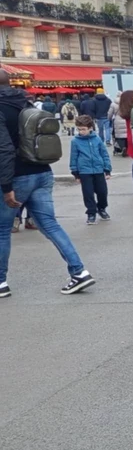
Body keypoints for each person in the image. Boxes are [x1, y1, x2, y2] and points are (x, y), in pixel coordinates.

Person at [0, 70, 95, 298]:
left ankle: (1, 282)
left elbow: (4, 149)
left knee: (2, 230)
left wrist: (6, 186)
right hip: (42, 170)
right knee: (50, 225)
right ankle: (79, 272)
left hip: (16, 175)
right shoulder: (25, 101)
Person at [70, 115, 112, 224]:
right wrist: (75, 173)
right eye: (79, 129)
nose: (81, 132)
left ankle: (101, 208)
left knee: (102, 192)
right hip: (84, 171)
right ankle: (91, 212)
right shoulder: (75, 141)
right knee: (88, 194)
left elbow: (104, 154)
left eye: (83, 129)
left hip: (98, 170)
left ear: (90, 128)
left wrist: (107, 169)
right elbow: (73, 157)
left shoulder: (97, 139)